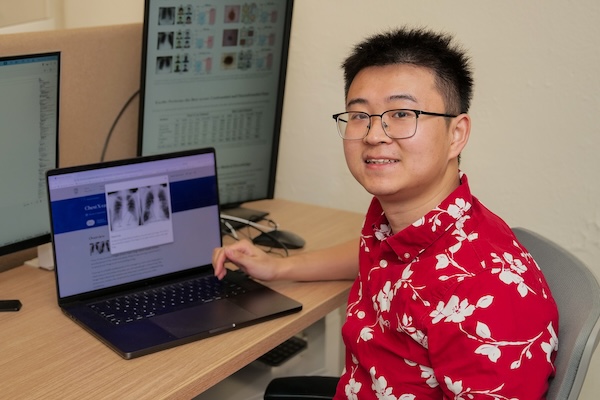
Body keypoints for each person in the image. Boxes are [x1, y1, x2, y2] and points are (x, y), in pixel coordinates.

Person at [213, 27, 559, 399]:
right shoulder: (405, 221)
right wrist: (278, 267)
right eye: (360, 116)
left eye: (401, 113)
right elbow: (380, 255)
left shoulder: (486, 292)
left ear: (456, 134)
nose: (375, 134)